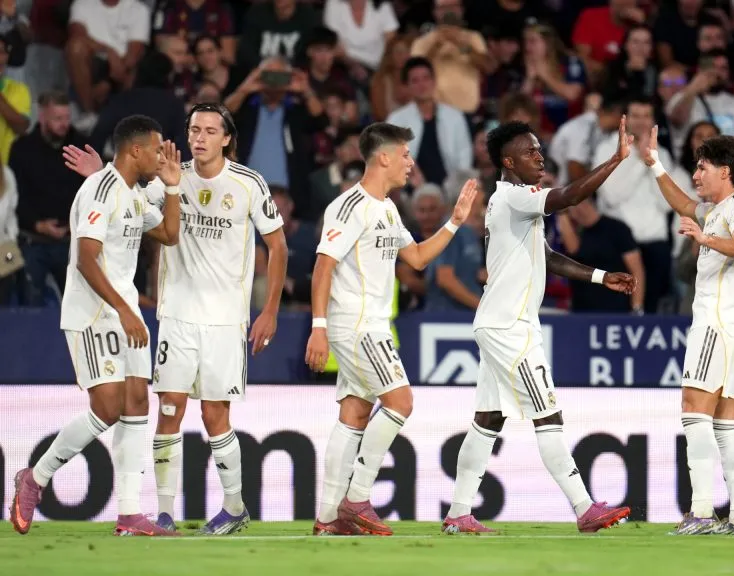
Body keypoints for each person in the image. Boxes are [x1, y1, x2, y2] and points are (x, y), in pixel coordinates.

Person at [62, 103, 290, 535]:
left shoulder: (249, 184)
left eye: (209, 130)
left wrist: (271, 309)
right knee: (168, 409)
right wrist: (99, 175)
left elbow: (277, 246)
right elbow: (124, 201)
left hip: (226, 319)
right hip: (177, 315)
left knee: (215, 416)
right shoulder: (169, 174)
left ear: (226, 139)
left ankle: (236, 507)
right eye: (193, 129)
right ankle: (164, 512)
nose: (199, 137)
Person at [441, 118, 636, 534]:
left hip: (498, 323)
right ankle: (585, 509)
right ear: (508, 161)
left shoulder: (512, 202)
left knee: (488, 420)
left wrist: (602, 276)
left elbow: (545, 255)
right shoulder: (515, 196)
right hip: (511, 327)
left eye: (539, 149)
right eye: (531, 152)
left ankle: (459, 513)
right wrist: (617, 159)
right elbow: (568, 196)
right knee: (547, 414)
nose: (540, 157)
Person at [9, 115, 181, 536]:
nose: (161, 156)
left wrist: (173, 187)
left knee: (138, 401)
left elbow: (170, 233)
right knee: (106, 409)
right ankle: (36, 477)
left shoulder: (132, 194)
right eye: (157, 149)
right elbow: (85, 259)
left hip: (125, 309)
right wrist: (123, 310)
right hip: (94, 312)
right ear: (135, 150)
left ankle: (128, 514)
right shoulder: (100, 191)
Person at [305, 122, 478, 536]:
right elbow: (322, 267)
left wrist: (453, 223)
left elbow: (417, 258)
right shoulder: (349, 207)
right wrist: (318, 327)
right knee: (400, 401)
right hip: (358, 325)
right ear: (383, 157)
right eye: (404, 154)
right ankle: (358, 498)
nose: (409, 163)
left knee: (355, 412)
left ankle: (327, 518)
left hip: (372, 325)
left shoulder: (386, 208)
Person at [640, 128, 734, 535]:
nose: (696, 174)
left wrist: (704, 236)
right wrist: (654, 164)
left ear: (725, 171)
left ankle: (702, 512)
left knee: (694, 409)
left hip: (719, 323)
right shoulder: (721, 208)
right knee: (726, 423)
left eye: (702, 167)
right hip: (729, 324)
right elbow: (685, 205)